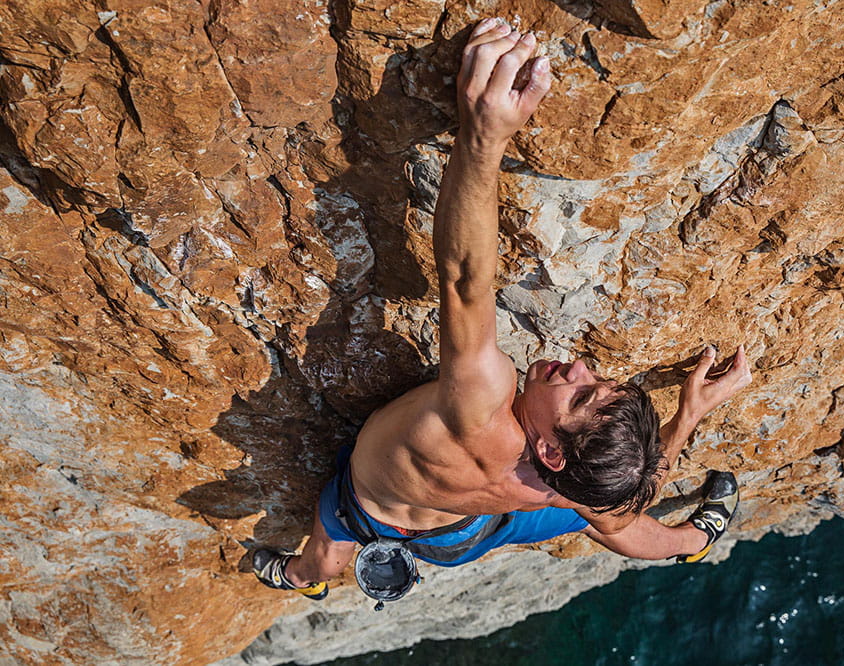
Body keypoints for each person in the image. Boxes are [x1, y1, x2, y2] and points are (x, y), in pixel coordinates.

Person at [253, 17, 752, 603]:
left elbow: (465, 281)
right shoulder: (571, 486)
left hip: (373, 508)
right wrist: (688, 414)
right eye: (597, 379)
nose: (579, 367)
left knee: (325, 561)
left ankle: (295, 579)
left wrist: (483, 135)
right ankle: (692, 540)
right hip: (466, 536)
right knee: (623, 524)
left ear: (549, 451)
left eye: (580, 394)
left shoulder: (483, 409)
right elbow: (622, 505)